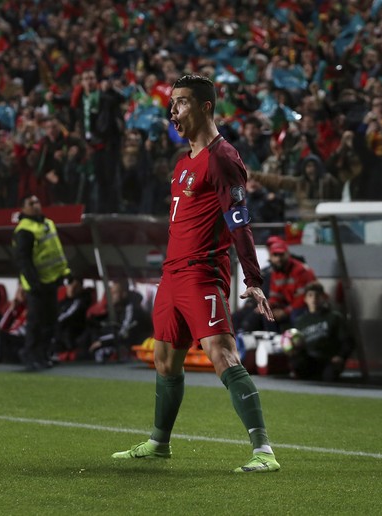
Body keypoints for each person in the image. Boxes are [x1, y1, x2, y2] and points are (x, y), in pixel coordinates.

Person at [111, 75, 280, 473]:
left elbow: (239, 221)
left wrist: (253, 279)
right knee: (165, 358)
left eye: (182, 102)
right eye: (172, 103)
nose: (173, 111)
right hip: (172, 273)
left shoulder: (222, 158)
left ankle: (264, 451)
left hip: (202, 271)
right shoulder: (183, 161)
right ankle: (159, 443)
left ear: (206, 107)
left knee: (221, 353)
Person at [12, 194, 72, 371]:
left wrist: (66, 273)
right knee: (36, 322)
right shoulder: (24, 230)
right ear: (23, 208)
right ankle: (30, 355)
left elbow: (56, 252)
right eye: (31, 203)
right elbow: (23, 260)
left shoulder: (48, 223)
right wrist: (33, 282)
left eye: (37, 201)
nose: (36, 205)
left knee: (50, 321)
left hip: (51, 281)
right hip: (37, 284)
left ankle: (43, 355)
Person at [284, 282, 354, 382]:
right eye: (310, 295)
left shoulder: (334, 317)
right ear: (305, 299)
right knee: (297, 364)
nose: (314, 299)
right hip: (309, 360)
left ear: (323, 297)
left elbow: (348, 341)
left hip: (329, 359)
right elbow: (296, 344)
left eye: (317, 295)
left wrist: (341, 356)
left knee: (329, 377)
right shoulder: (300, 321)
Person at [87, 279, 152, 362]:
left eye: (115, 292)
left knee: (100, 352)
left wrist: (102, 342)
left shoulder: (133, 309)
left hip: (133, 346)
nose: (111, 295)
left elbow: (125, 333)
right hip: (123, 343)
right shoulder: (118, 308)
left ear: (124, 294)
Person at [266, 236, 318, 331]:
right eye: (275, 255)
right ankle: (275, 342)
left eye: (281, 255)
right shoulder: (276, 272)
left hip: (307, 305)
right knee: (267, 315)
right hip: (290, 305)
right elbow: (275, 296)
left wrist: (285, 312)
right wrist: (268, 305)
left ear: (288, 254)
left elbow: (303, 298)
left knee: (296, 315)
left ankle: (297, 343)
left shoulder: (300, 270)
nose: (278, 259)